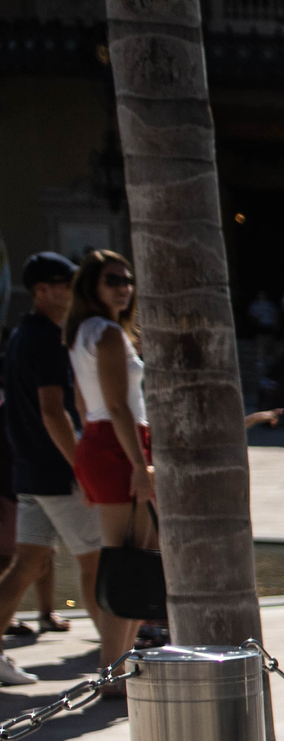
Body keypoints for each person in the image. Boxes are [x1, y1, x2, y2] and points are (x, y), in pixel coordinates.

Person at [0, 252, 90, 687]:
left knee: (27, 566)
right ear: (41, 291)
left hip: (30, 470)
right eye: (64, 284)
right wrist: (81, 467)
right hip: (55, 472)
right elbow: (54, 413)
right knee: (97, 563)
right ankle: (118, 657)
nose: (72, 292)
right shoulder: (45, 340)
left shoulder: (22, 335)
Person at [64, 251, 147, 674]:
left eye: (127, 279)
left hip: (102, 442)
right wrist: (138, 464)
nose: (123, 286)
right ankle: (114, 669)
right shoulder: (109, 334)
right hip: (120, 443)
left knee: (128, 557)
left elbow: (82, 406)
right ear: (92, 287)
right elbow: (117, 406)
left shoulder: (82, 332)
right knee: (127, 560)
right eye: (112, 279)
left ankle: (120, 663)